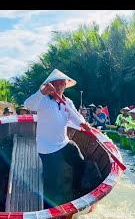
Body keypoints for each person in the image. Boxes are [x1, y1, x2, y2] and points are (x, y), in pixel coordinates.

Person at [24, 69, 91, 208]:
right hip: (47, 148)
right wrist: (42, 92)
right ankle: (49, 209)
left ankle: (77, 192)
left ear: (65, 85)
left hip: (64, 143)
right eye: (56, 83)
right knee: (51, 182)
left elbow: (75, 117)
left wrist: (84, 124)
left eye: (62, 83)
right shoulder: (42, 100)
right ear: (50, 85)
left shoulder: (68, 102)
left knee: (80, 163)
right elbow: (28, 105)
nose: (59, 86)